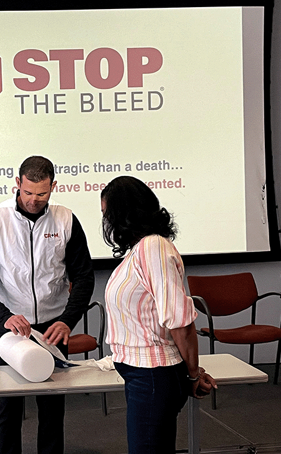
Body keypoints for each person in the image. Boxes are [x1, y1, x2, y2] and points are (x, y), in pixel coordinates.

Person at [0, 155, 95, 454]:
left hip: (54, 326)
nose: (34, 200)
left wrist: (68, 320)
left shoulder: (66, 219)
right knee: (8, 406)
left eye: (41, 194)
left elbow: (84, 276)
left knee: (52, 406)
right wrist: (3, 317)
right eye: (28, 193)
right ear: (17, 184)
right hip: (11, 326)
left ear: (53, 186)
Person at [100, 176, 217, 454]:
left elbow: (181, 322)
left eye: (107, 214)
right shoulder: (139, 250)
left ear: (122, 213)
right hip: (143, 374)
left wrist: (192, 375)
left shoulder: (153, 247)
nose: (106, 222)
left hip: (153, 375)